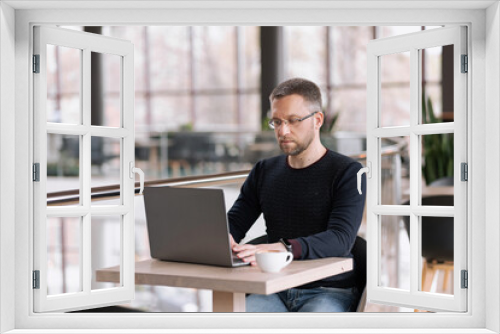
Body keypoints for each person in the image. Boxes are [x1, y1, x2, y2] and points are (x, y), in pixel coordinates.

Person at [227, 78, 366, 312]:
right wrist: (224, 238)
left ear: (317, 120)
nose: (283, 131)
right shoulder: (264, 171)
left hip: (329, 291)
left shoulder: (348, 172)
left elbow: (340, 239)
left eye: (293, 120)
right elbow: (235, 222)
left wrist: (283, 248)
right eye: (277, 122)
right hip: (274, 286)